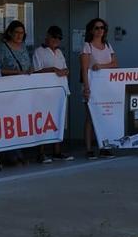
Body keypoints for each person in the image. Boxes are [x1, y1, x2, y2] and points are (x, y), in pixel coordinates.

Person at [31, 25, 74, 162]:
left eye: (59, 38)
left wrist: (65, 71)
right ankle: (41, 152)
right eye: (54, 36)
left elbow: (66, 69)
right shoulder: (39, 51)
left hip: (59, 93)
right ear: (48, 36)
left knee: (59, 121)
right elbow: (35, 72)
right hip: (44, 93)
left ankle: (57, 151)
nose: (56, 40)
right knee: (43, 122)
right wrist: (52, 69)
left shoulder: (60, 53)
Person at [80, 17, 117, 159]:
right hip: (92, 86)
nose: (100, 30)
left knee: (105, 116)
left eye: (102, 28)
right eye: (96, 28)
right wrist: (86, 88)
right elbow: (84, 69)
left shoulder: (108, 45)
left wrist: (101, 66)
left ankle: (104, 146)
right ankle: (89, 148)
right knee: (90, 117)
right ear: (91, 30)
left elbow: (115, 64)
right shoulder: (87, 46)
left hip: (106, 87)